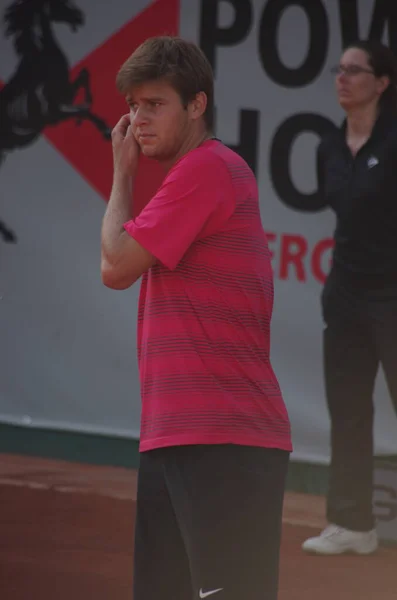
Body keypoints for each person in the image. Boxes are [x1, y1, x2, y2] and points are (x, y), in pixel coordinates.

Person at [101, 36, 292, 600]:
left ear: (196, 105)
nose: (138, 119)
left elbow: (114, 266)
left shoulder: (207, 169)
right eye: (133, 106)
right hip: (178, 434)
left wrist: (121, 177)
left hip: (225, 438)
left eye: (154, 104)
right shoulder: (194, 176)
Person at [302, 40, 397, 556]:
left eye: (354, 71)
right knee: (349, 412)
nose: (342, 78)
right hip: (346, 296)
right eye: (338, 70)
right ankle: (352, 524)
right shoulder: (329, 145)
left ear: (381, 82)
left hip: (395, 296)